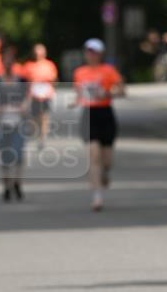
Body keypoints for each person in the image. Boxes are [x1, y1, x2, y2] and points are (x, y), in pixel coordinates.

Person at [71, 38, 124, 211]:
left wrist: (107, 92)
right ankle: (97, 196)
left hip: (106, 114)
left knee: (107, 160)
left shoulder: (108, 70)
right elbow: (78, 94)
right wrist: (75, 102)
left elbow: (121, 89)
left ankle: (105, 172)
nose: (90, 55)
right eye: (88, 51)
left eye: (94, 51)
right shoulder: (79, 72)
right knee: (94, 156)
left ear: (100, 54)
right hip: (89, 115)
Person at [0, 46, 31, 201]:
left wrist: (25, 106)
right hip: (1, 123)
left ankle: (17, 182)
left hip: (18, 122)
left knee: (18, 154)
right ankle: (6, 186)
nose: (8, 63)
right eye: (6, 59)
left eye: (11, 59)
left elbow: (28, 98)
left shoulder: (22, 81)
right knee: (4, 156)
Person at [23, 43, 58, 147]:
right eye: (37, 51)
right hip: (34, 95)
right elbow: (25, 81)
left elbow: (54, 79)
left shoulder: (49, 65)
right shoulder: (29, 65)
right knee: (35, 117)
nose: (39, 53)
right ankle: (37, 133)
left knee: (45, 116)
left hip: (46, 94)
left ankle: (42, 138)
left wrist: (50, 86)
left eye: (41, 51)